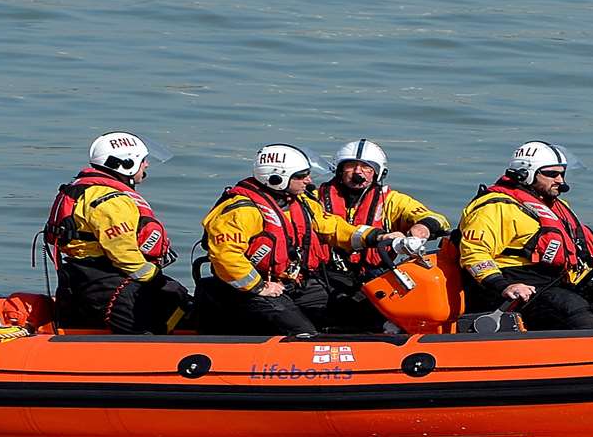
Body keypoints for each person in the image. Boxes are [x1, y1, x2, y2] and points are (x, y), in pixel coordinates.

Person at [198, 144, 401, 336]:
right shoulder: (241, 211)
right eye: (301, 176)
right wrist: (260, 287)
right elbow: (226, 256)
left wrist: (376, 236)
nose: (308, 181)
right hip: (250, 290)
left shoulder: (301, 202)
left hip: (295, 282)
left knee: (359, 310)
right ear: (277, 178)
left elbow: (332, 227)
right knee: (303, 333)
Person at [457, 140, 593, 331]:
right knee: (572, 308)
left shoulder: (556, 207)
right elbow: (473, 254)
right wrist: (504, 286)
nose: (560, 180)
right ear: (525, 174)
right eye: (552, 174)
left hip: (555, 282)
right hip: (514, 288)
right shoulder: (495, 207)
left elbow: (574, 248)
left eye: (562, 174)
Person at [44, 131, 191, 334]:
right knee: (176, 298)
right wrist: (156, 278)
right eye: (143, 160)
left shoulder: (85, 190)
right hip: (105, 284)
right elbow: (125, 256)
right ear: (126, 164)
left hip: (79, 278)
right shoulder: (112, 202)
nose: (146, 165)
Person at [313, 138, 450, 330]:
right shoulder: (315, 199)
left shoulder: (391, 201)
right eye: (351, 166)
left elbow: (436, 218)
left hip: (374, 275)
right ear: (339, 170)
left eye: (367, 167)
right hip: (325, 273)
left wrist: (422, 229)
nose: (358, 172)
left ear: (378, 173)